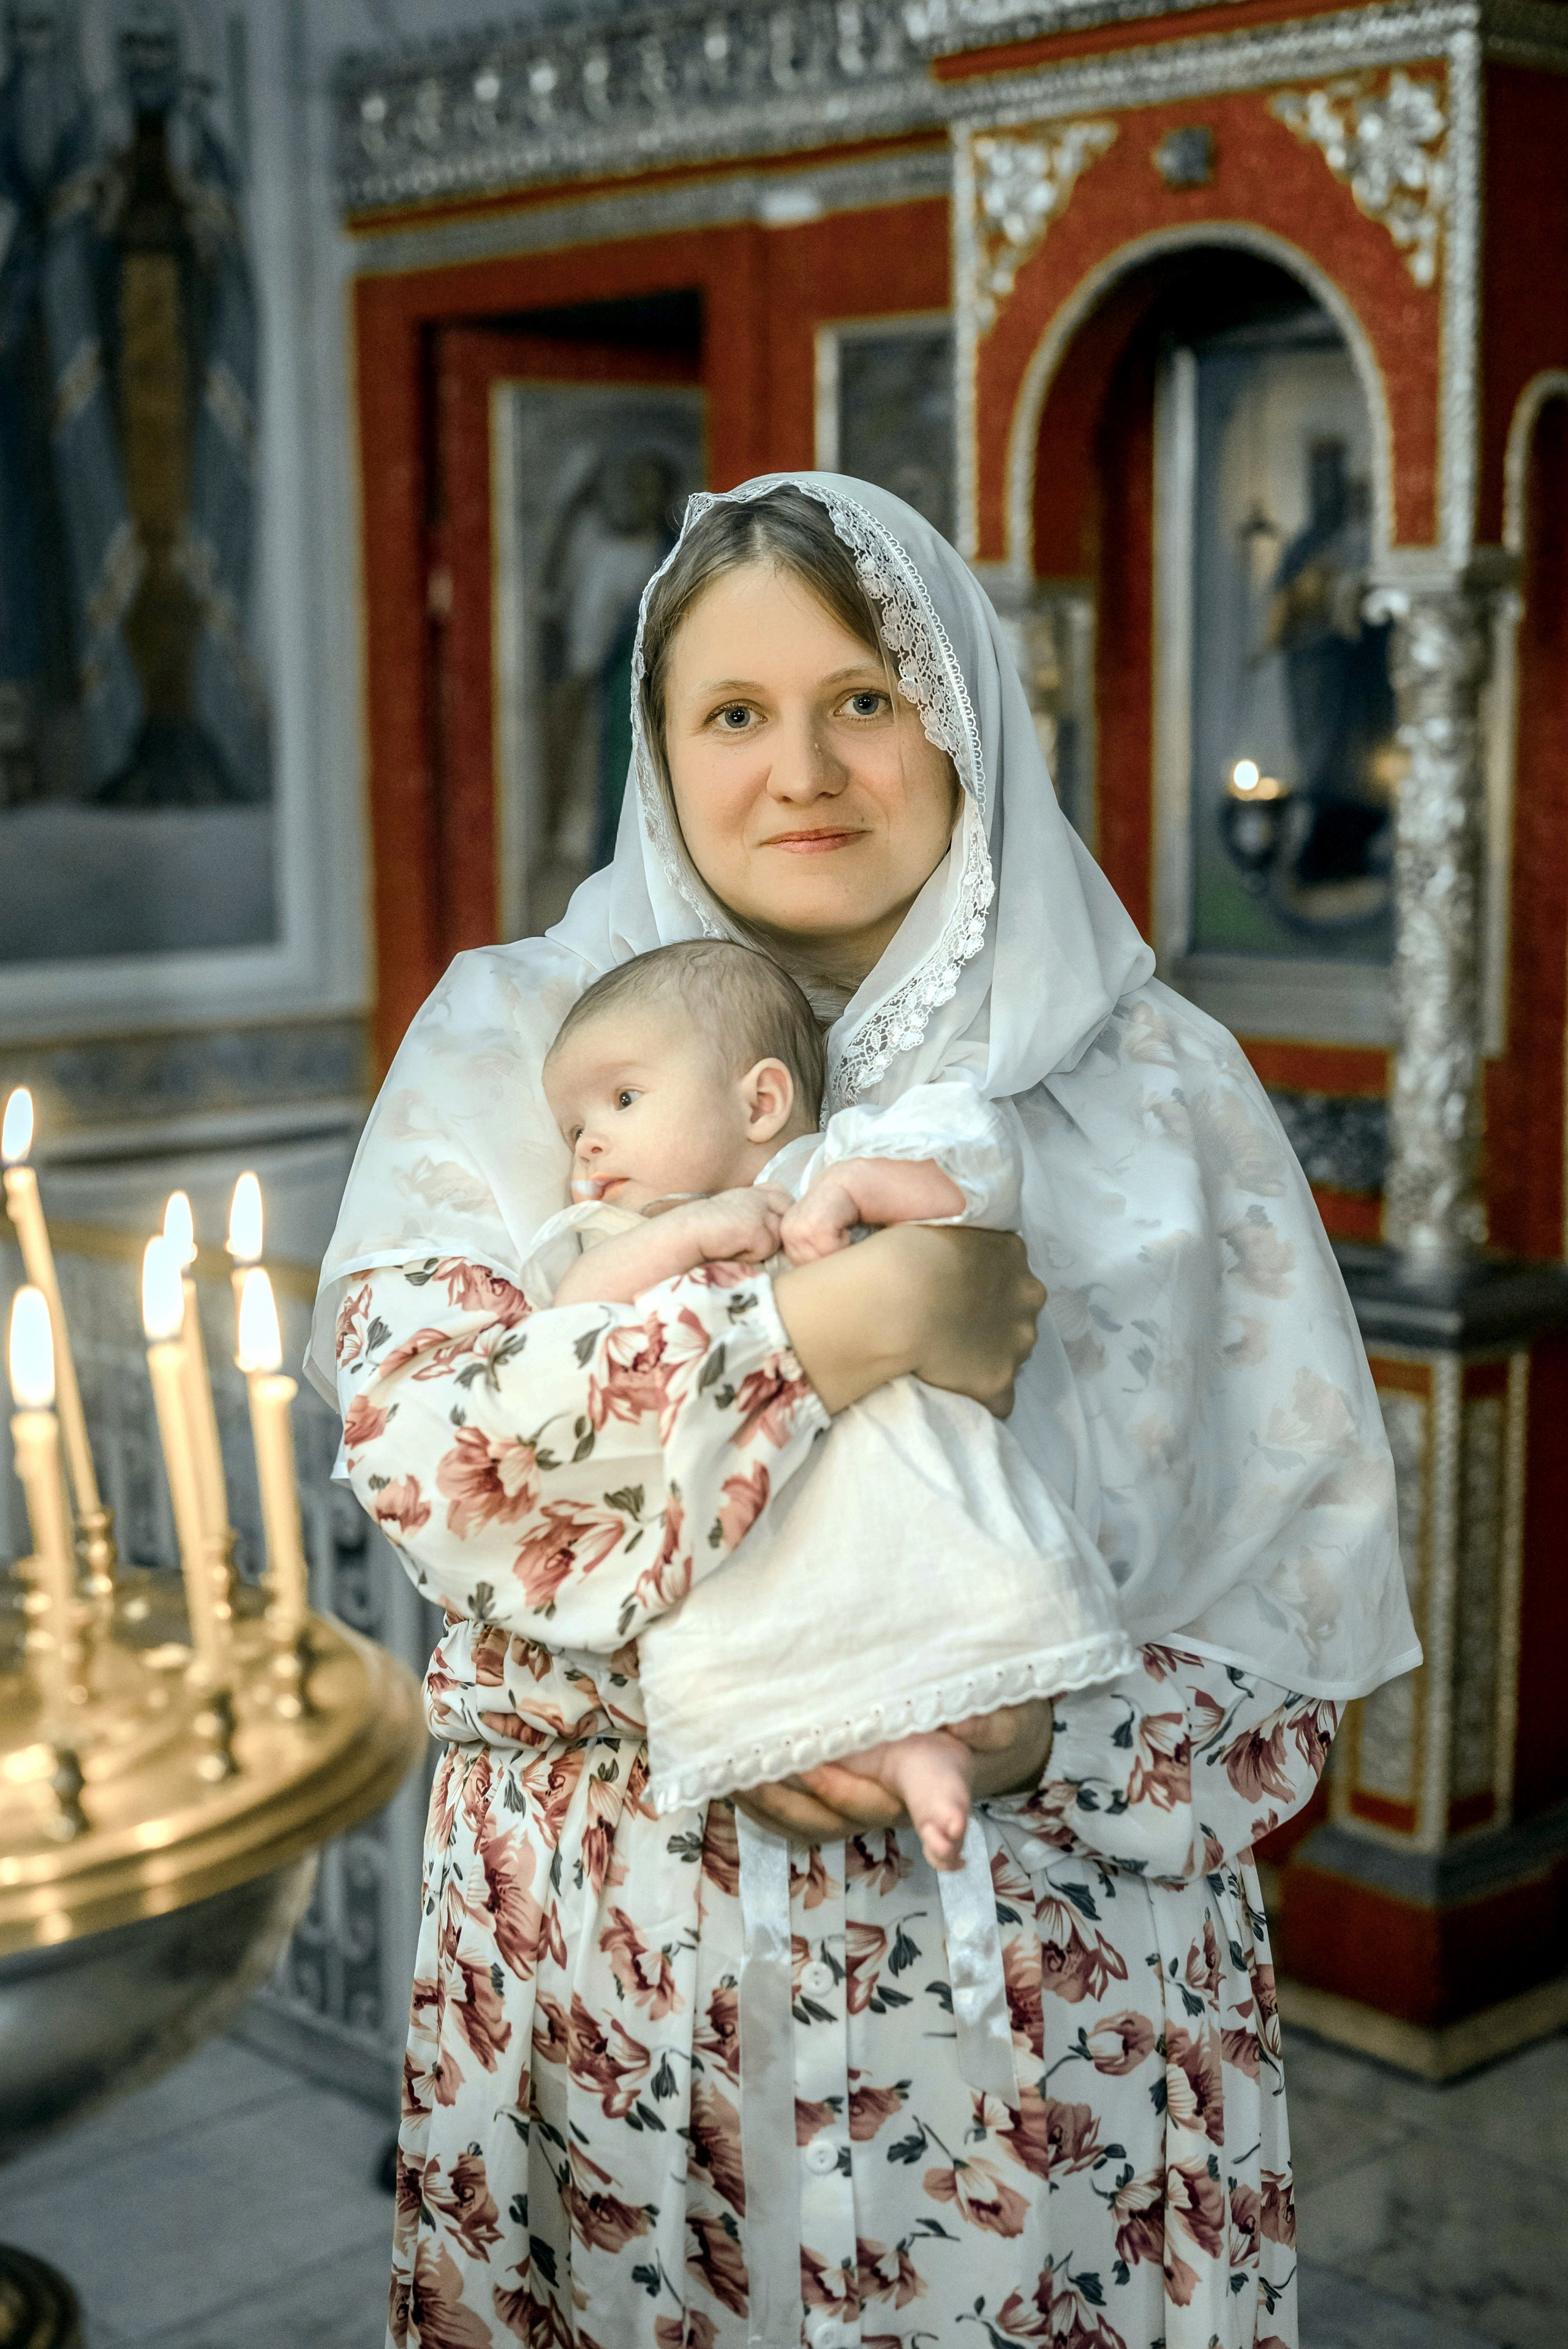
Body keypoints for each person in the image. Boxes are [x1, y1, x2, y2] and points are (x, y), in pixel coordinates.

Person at [313, 475, 1419, 2349]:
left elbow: (1287, 1619)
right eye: (733, 713)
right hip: (628, 1990)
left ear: (967, 717)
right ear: (660, 754)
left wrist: (1038, 1735)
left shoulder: (1156, 1083)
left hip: (1049, 2028)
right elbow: (442, 1472)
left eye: (865, 697)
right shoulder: (519, 1046)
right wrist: (842, 1323)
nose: (803, 767)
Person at [530, 935, 1131, 1874]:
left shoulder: (834, 1165)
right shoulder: (625, 1235)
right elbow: (571, 1328)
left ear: (762, 1100)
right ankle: (886, 1757)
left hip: (886, 1476)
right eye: (572, 1129)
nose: (589, 1141)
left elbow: (976, 1175)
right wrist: (688, 1231)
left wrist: (856, 1190)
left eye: (623, 1099)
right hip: (750, 1517)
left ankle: (938, 1745)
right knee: (782, 1649)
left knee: (931, 1612)